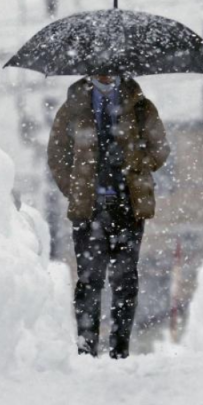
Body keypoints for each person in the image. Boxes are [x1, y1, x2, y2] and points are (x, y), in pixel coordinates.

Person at [47, 74, 169, 359]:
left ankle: (119, 349)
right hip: (89, 210)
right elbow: (57, 155)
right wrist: (75, 188)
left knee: (125, 279)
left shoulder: (141, 107)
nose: (105, 73)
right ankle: (87, 348)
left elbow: (160, 149)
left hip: (127, 206)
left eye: (111, 66)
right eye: (98, 67)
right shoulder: (72, 109)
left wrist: (137, 163)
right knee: (89, 280)